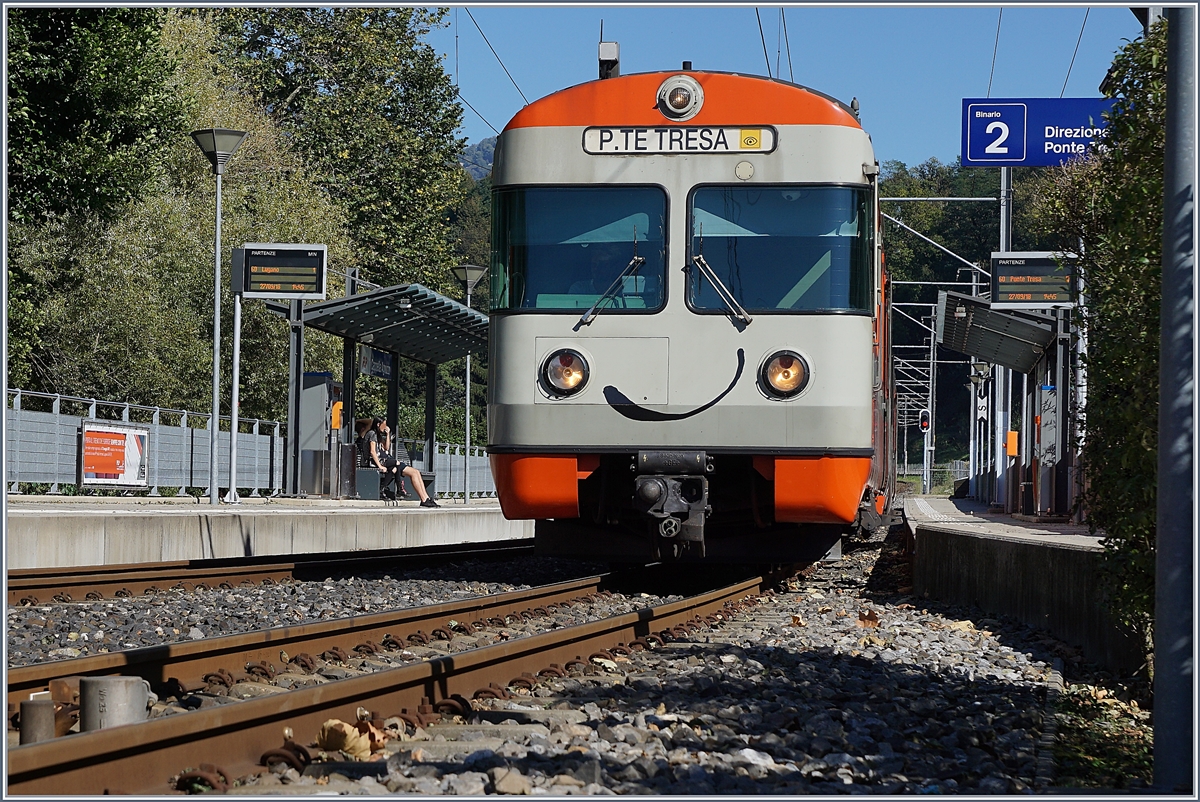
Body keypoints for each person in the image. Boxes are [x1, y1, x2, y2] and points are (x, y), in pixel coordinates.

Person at [363, 417, 439, 507]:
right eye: (384, 424)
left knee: (415, 472)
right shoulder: (372, 434)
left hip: (388, 460)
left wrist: (388, 435)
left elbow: (386, 448)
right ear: (378, 424)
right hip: (381, 461)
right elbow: (372, 451)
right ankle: (403, 490)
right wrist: (379, 466)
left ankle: (425, 498)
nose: (385, 427)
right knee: (399, 465)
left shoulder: (378, 435)